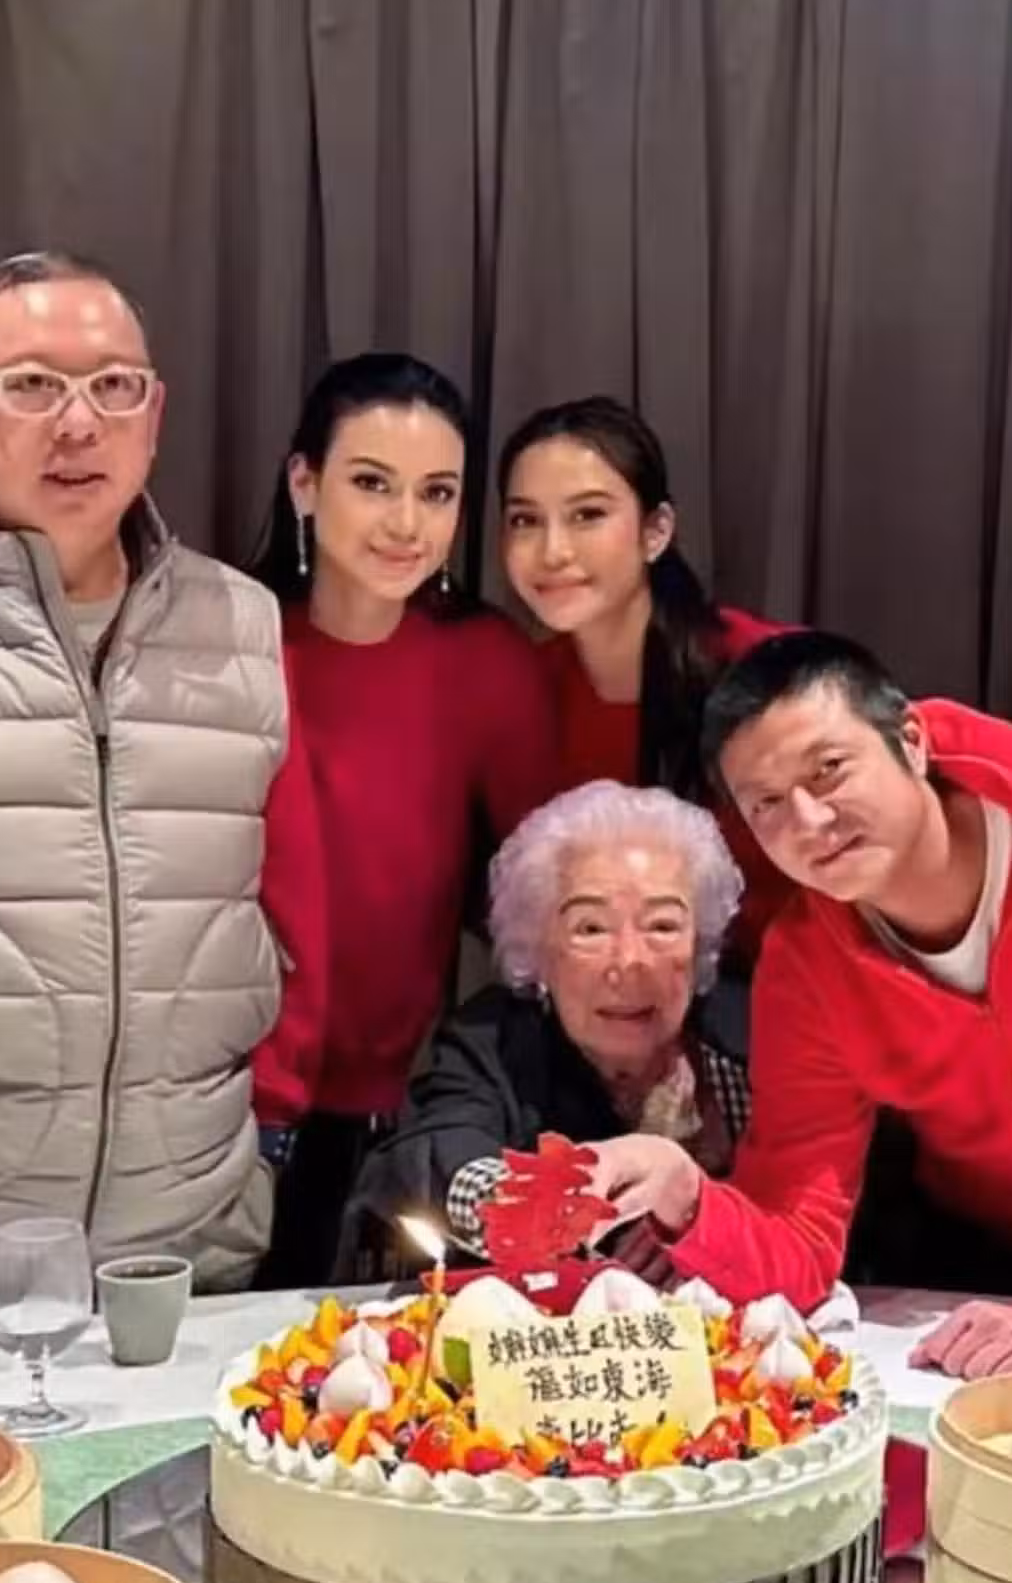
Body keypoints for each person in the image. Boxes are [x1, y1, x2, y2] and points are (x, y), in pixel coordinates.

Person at [0, 251, 325, 1316]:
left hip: (182, 1260)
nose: (79, 423)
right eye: (31, 384)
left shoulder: (239, 624)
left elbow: (273, 907)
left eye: (114, 386)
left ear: (153, 414)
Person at [583, 631, 1012, 1380]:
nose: (808, 821)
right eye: (766, 804)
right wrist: (684, 1191)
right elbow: (798, 1241)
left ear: (911, 741)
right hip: (984, 1264)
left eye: (829, 771)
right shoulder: (806, 968)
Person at [249, 353, 561, 1284]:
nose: (406, 524)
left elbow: (540, 892)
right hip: (213, 1096)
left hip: (395, 1107)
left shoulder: (485, 664)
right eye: (372, 483)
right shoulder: (231, 638)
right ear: (305, 483)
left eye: (437, 493)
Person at [343, 780, 746, 1271]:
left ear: (700, 940)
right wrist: (547, 1205)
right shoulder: (495, 1040)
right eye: (590, 929)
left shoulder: (749, 1038)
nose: (629, 961)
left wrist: (704, 1222)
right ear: (539, 948)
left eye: (662, 926)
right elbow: (435, 1153)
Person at [498, 397, 791, 1062]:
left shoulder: (763, 674)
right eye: (525, 520)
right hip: (606, 1031)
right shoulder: (522, 690)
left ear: (655, 530)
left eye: (588, 515)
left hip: (788, 1020)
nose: (553, 551)